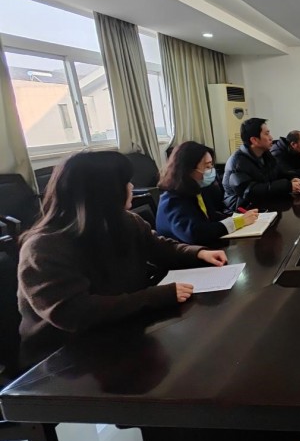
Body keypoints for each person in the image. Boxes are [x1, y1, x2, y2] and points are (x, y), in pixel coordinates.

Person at [17, 151, 227, 366]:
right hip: (64, 359)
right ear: (104, 191)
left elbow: (160, 247)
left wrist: (197, 253)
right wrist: (156, 296)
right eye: (125, 182)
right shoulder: (43, 247)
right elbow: (76, 313)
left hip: (120, 328)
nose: (132, 187)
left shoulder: (124, 221)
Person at [156, 141, 259, 245]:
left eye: (211, 166)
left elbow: (211, 217)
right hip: (185, 253)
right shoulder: (171, 201)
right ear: (188, 169)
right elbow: (195, 234)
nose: (211, 171)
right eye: (207, 167)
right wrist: (237, 222)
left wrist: (239, 218)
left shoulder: (197, 190)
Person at [223, 118, 300, 211]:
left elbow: (279, 172)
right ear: (254, 140)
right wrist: (287, 186)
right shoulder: (237, 162)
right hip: (242, 210)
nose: (271, 138)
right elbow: (250, 192)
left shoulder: (265, 154)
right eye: (266, 134)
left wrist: (292, 178)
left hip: (264, 204)